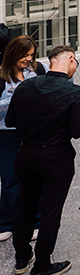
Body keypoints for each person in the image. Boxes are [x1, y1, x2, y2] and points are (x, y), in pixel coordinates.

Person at [5, 45, 80, 275]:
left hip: (25, 155)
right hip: (56, 158)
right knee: (50, 212)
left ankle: (22, 258)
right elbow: (77, 131)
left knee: (26, 206)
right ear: (70, 59)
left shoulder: (26, 86)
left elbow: (10, 120)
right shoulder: (74, 92)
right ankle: (41, 266)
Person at [0, 37, 41, 243]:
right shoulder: (1, 77)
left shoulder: (36, 71)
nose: (29, 59)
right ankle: (7, 221)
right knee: (9, 179)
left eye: (31, 55)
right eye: (25, 55)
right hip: (7, 133)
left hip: (32, 132)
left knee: (35, 178)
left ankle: (36, 220)